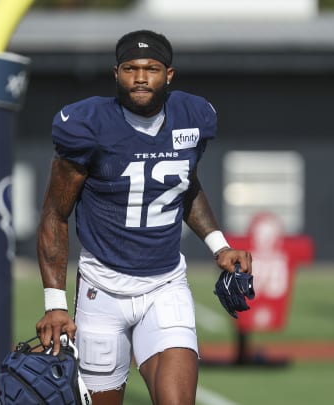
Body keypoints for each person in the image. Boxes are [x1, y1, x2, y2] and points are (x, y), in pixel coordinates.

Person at [35, 29, 253, 405]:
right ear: (115, 73)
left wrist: (219, 245)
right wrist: (54, 303)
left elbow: (187, 186)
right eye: (130, 68)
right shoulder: (88, 126)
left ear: (168, 75)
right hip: (102, 289)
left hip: (165, 286)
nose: (140, 77)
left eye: (151, 68)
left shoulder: (191, 117)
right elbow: (55, 214)